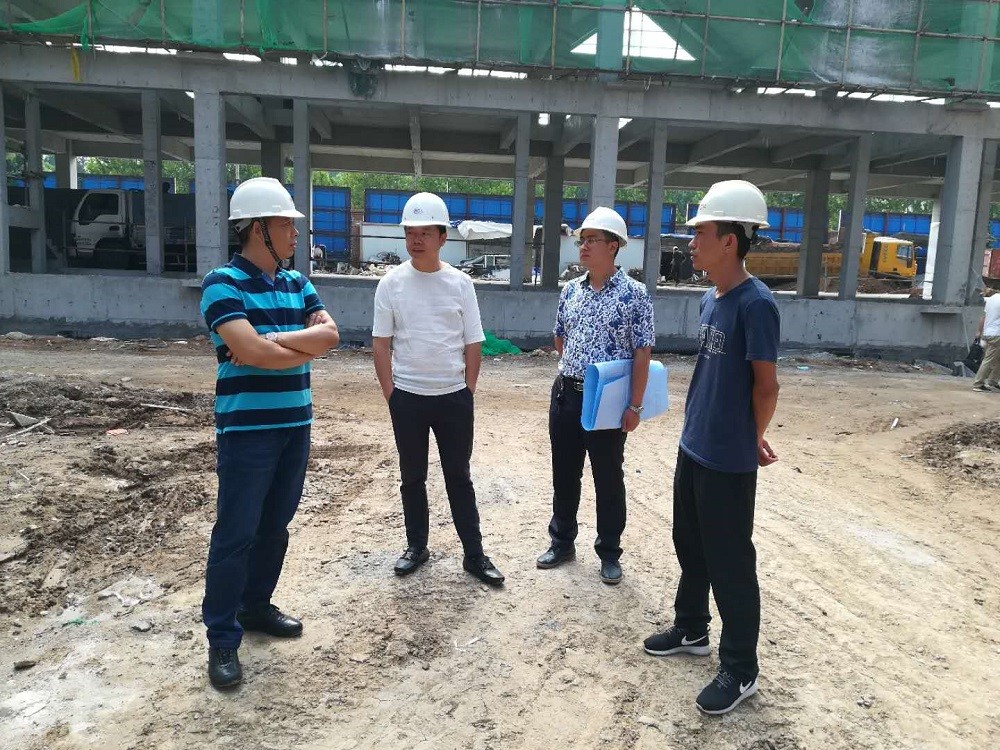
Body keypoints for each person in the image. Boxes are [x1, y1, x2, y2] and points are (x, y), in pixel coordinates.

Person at [642, 180, 780, 716]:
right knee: (690, 544)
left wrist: (752, 437)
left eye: (700, 233)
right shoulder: (709, 298)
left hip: (727, 458)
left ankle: (740, 668)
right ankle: (691, 628)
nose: (691, 242)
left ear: (730, 241)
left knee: (730, 562)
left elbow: (765, 386)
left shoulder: (756, 305)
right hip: (694, 444)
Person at [199, 177, 340, 689]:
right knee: (236, 532)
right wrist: (294, 349)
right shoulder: (221, 283)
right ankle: (222, 637)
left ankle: (255, 605)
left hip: (295, 425)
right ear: (258, 228)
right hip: (248, 431)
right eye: (286, 225)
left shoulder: (297, 283)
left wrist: (272, 340)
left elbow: (331, 336)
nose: (296, 234)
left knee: (275, 525)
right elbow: (251, 351)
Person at [372, 192, 505, 587]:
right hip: (408, 398)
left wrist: (467, 390)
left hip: (453, 398)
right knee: (412, 476)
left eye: (425, 232)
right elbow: (381, 343)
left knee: (458, 476)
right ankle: (417, 546)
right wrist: (391, 393)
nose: (416, 240)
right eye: (410, 232)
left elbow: (473, 342)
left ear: (443, 237)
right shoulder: (391, 284)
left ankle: (474, 554)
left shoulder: (460, 284)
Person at [535, 206, 654, 585]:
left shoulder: (634, 295)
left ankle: (609, 552)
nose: (583, 246)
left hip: (607, 401)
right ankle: (562, 542)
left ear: (613, 246)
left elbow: (642, 352)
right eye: (582, 241)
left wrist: (634, 404)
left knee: (608, 477)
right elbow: (560, 337)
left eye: (592, 240)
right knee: (564, 473)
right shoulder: (571, 290)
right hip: (567, 395)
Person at [973, 286, 1000, 392]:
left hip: (988, 332)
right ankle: (978, 383)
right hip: (997, 334)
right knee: (989, 359)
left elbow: (983, 317)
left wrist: (979, 332)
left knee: (997, 358)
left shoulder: (991, 299)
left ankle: (993, 381)